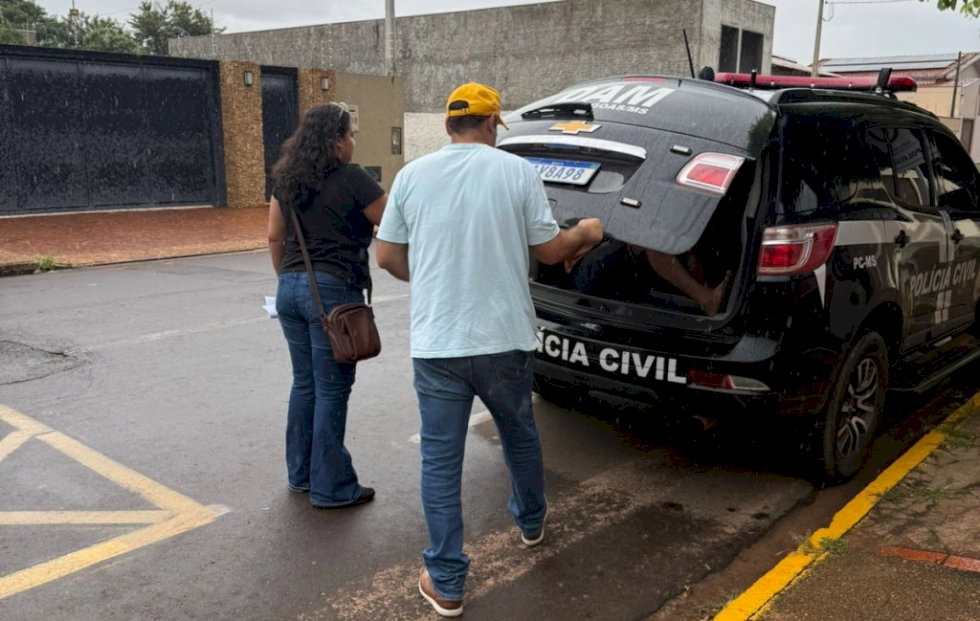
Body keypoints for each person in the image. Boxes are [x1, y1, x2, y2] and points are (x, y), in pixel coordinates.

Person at [375, 82, 603, 617]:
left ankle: (446, 581)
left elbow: (386, 256)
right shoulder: (516, 172)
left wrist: (433, 277)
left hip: (438, 343)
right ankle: (531, 523)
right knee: (519, 434)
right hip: (504, 339)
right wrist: (587, 231)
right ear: (489, 123)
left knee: (440, 460)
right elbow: (550, 250)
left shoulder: (411, 175)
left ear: (449, 125)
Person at [267, 102, 387, 509]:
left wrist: (288, 278)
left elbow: (274, 237)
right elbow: (392, 219)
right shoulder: (353, 178)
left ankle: (301, 474)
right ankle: (331, 487)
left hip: (289, 289)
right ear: (337, 140)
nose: (353, 142)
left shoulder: (287, 180)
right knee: (333, 389)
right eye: (351, 135)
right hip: (333, 292)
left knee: (305, 384)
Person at [564, 239, 731, 316]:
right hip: (583, 269)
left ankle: (706, 297)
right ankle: (706, 300)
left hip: (621, 270)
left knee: (676, 241)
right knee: (649, 239)